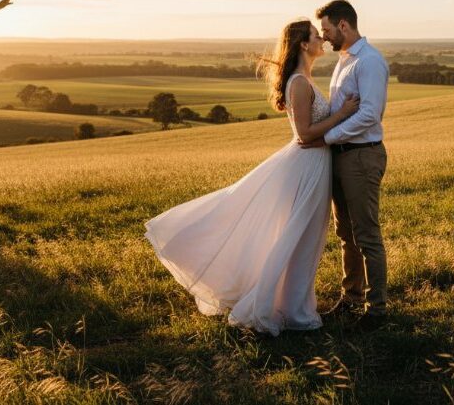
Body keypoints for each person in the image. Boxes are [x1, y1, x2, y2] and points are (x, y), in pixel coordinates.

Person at [144, 19, 359, 336]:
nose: (322, 40)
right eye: (316, 36)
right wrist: (342, 114)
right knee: (298, 238)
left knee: (304, 238)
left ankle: (292, 306)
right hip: (306, 167)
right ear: (303, 44)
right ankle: (288, 311)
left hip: (314, 164)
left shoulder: (305, 79)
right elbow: (304, 134)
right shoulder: (299, 83)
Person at [303, 0, 390, 332]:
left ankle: (376, 309)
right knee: (345, 234)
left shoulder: (369, 61)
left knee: (366, 234)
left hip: (361, 155)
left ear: (343, 25)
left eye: (326, 29)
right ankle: (351, 297)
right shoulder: (344, 60)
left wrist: (326, 137)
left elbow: (369, 114)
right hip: (340, 155)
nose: (323, 36)